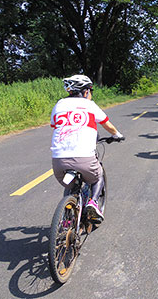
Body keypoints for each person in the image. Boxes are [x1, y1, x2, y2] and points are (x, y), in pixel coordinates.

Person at [50, 74, 123, 222]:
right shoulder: (90, 105)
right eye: (90, 91)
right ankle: (93, 203)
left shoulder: (59, 105)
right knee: (98, 175)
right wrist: (117, 135)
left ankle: (67, 217)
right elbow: (106, 124)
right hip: (84, 159)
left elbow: (55, 125)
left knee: (71, 186)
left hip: (58, 162)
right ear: (85, 91)